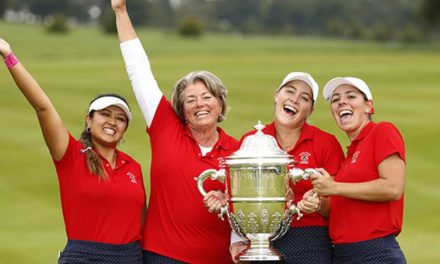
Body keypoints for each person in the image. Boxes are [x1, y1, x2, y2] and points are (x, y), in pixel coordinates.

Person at [111, 0, 239, 263]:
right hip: (163, 256)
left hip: (219, 259)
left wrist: (230, 199)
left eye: (207, 97)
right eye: (190, 100)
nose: (199, 104)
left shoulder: (239, 151)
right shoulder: (165, 127)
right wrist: (121, 12)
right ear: (181, 108)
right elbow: (139, 72)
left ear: (220, 103)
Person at [0, 38, 146, 264]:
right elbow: (42, 107)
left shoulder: (133, 167)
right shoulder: (70, 154)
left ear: (125, 128)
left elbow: (142, 225)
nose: (112, 122)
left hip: (131, 258)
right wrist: (9, 56)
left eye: (120, 118)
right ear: (89, 120)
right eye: (105, 114)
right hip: (83, 258)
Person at [204, 72, 345, 263]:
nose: (294, 99)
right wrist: (236, 236)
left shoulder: (326, 143)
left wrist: (319, 204)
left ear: (310, 110)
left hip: (310, 239)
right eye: (289, 91)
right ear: (276, 95)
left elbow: (338, 206)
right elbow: (239, 198)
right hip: (260, 238)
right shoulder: (250, 141)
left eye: (304, 98)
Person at [310, 76, 406, 263]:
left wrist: (334, 187)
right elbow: (343, 209)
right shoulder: (348, 157)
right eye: (335, 99)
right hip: (344, 255)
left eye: (351, 96)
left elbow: (393, 188)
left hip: (375, 253)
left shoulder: (382, 131)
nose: (341, 101)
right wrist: (319, 203)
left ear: (368, 106)